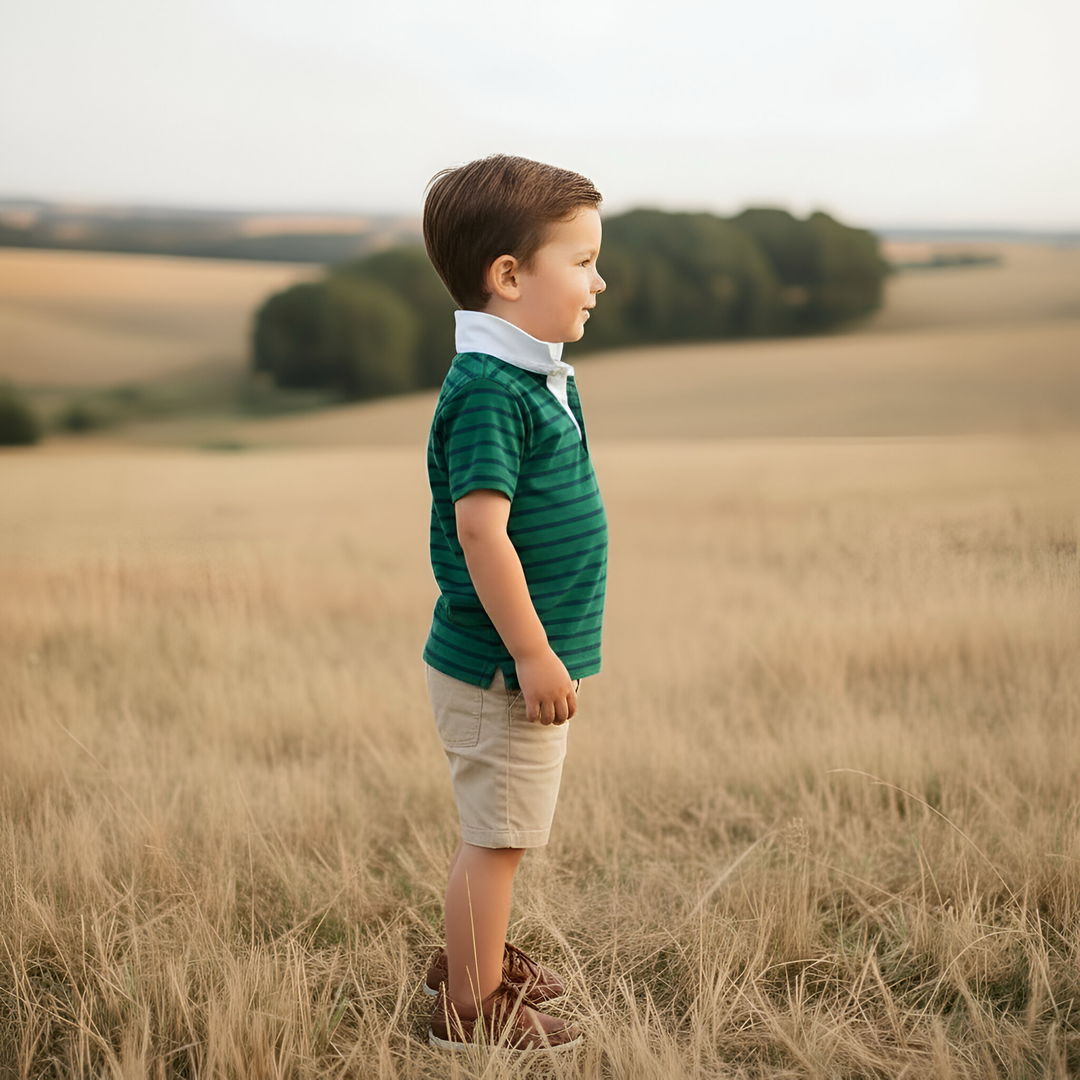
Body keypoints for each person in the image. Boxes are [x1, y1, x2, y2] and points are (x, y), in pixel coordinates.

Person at [420, 154, 608, 1051]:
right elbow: (481, 533)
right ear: (508, 276)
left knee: (504, 833)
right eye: (583, 261)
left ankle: (472, 954)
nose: (598, 282)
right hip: (500, 667)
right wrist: (533, 654)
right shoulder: (492, 391)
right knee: (496, 838)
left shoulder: (531, 376)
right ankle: (471, 1006)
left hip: (512, 663)